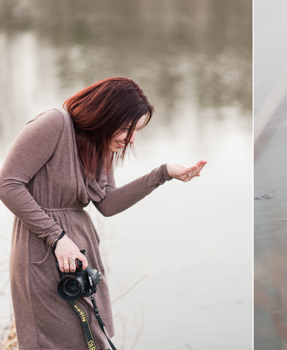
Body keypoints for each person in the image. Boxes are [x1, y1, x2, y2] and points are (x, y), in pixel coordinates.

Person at [0, 77, 206, 349]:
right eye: (125, 129)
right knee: (56, 340)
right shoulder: (53, 124)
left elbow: (107, 204)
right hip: (42, 250)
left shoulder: (101, 145)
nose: (131, 140)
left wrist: (162, 173)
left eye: (136, 132)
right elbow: (7, 183)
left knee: (93, 337)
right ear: (104, 116)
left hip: (79, 252)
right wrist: (57, 237)